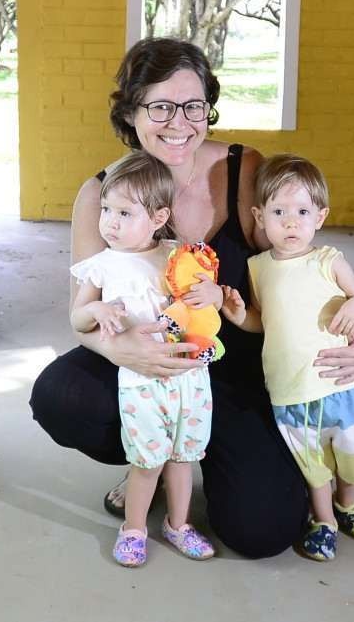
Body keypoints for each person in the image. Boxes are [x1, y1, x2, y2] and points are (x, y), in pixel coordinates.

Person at [29, 37, 354, 559]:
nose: (179, 122)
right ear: (130, 111)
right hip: (148, 369)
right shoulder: (100, 195)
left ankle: (224, 461)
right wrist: (121, 350)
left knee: (262, 533)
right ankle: (152, 458)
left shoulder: (242, 170)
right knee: (61, 396)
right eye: (160, 106)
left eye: (193, 105)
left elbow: (300, 268)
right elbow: (83, 317)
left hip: (239, 371)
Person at [221, 154, 354, 561]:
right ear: (259, 216)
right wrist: (240, 314)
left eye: (302, 212)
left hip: (337, 383)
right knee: (312, 463)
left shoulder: (329, 260)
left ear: (320, 216)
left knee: (353, 454)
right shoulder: (259, 268)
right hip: (290, 389)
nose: (291, 222)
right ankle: (324, 518)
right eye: (279, 212)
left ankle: (349, 504)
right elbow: (264, 323)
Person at [68, 150, 218, 567]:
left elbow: (206, 299)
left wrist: (214, 294)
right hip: (141, 378)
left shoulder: (177, 255)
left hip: (189, 376)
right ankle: (133, 528)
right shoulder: (101, 266)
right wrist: (97, 311)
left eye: (124, 212)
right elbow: (78, 318)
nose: (110, 223)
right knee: (148, 459)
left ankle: (178, 524)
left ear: (158, 217)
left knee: (183, 458)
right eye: (107, 210)